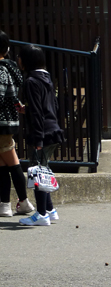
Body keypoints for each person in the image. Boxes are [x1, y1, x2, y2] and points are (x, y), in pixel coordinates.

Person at [16, 44, 64, 227]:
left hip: (41, 132)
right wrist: (25, 110)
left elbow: (37, 113)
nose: (18, 60)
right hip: (53, 129)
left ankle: (41, 214)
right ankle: (50, 210)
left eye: (20, 57)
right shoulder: (46, 78)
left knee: (36, 173)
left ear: (27, 60)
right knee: (43, 171)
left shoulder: (30, 81)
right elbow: (51, 107)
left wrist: (37, 140)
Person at [0, 30, 35, 217]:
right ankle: (5, 204)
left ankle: (23, 201)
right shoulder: (9, 68)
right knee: (3, 165)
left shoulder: (0, 69)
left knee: (12, 162)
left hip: (1, 123)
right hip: (7, 120)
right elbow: (11, 95)